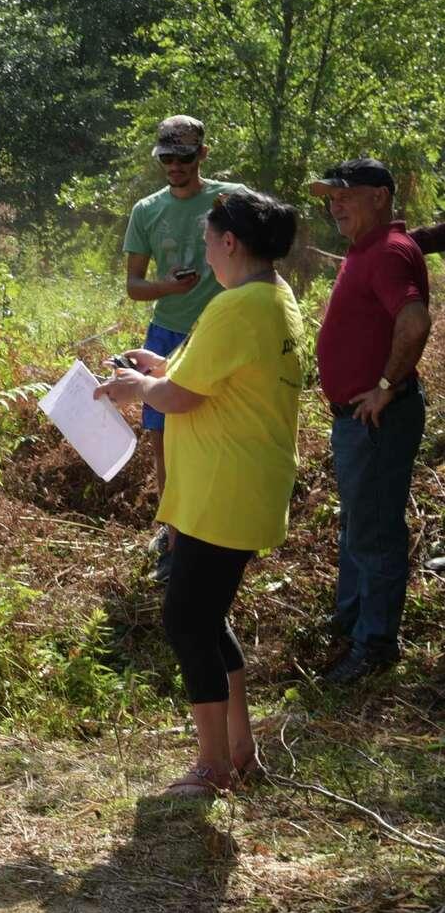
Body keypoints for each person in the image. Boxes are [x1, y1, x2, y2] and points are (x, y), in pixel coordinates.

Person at [96, 189, 304, 796]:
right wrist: (158, 368)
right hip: (239, 483)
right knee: (206, 617)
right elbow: (210, 377)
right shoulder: (274, 297)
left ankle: (213, 766)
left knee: (186, 620)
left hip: (224, 489)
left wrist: (136, 388)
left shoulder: (236, 307)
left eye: (208, 239)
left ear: (229, 242)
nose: (204, 250)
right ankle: (238, 749)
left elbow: (182, 398)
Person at [309, 158, 432, 683]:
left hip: (378, 420)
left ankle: (374, 646)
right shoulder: (369, 247)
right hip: (358, 422)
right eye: (330, 197)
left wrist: (385, 385)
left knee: (375, 532)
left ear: (379, 196)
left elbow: (415, 320)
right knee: (359, 525)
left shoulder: (385, 252)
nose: (335, 204)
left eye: (345, 194)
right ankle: (352, 623)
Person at [121, 116, 247, 580]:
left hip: (218, 332)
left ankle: (216, 536)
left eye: (184, 158)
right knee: (164, 443)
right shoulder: (147, 210)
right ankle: (172, 536)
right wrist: (168, 287)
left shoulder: (230, 200)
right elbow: (134, 286)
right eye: (167, 159)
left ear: (202, 155)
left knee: (217, 437)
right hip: (166, 333)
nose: (175, 166)